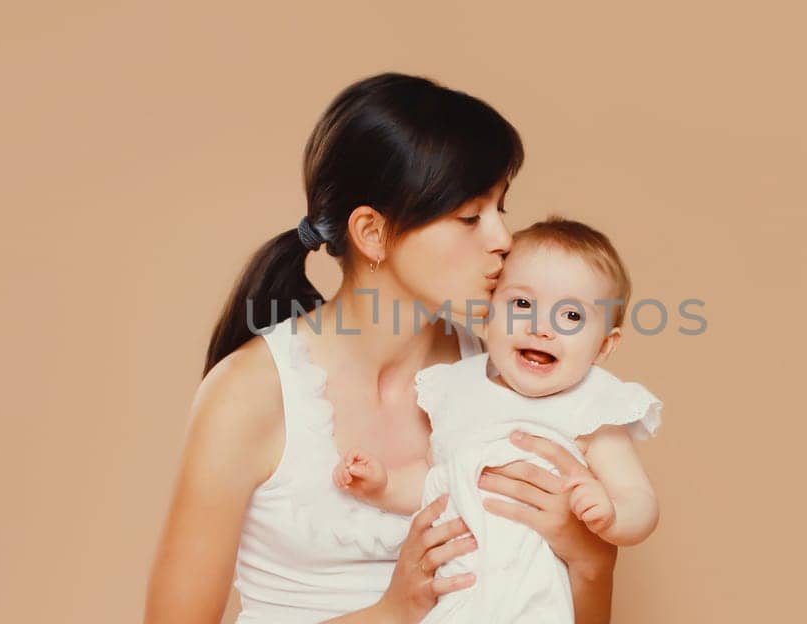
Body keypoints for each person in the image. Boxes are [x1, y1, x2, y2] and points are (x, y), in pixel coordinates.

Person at [143, 73, 619, 624]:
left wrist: (590, 564)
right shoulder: (248, 395)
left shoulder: (510, 370)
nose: (502, 240)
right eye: (470, 216)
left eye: (500, 210)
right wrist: (390, 614)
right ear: (372, 233)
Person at [334, 217, 663, 623]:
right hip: (457, 599)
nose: (541, 328)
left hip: (537, 605)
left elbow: (640, 501)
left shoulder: (591, 409)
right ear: (487, 313)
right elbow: (437, 483)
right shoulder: (457, 390)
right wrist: (384, 484)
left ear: (604, 346)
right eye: (522, 304)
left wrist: (612, 516)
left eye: (572, 317)